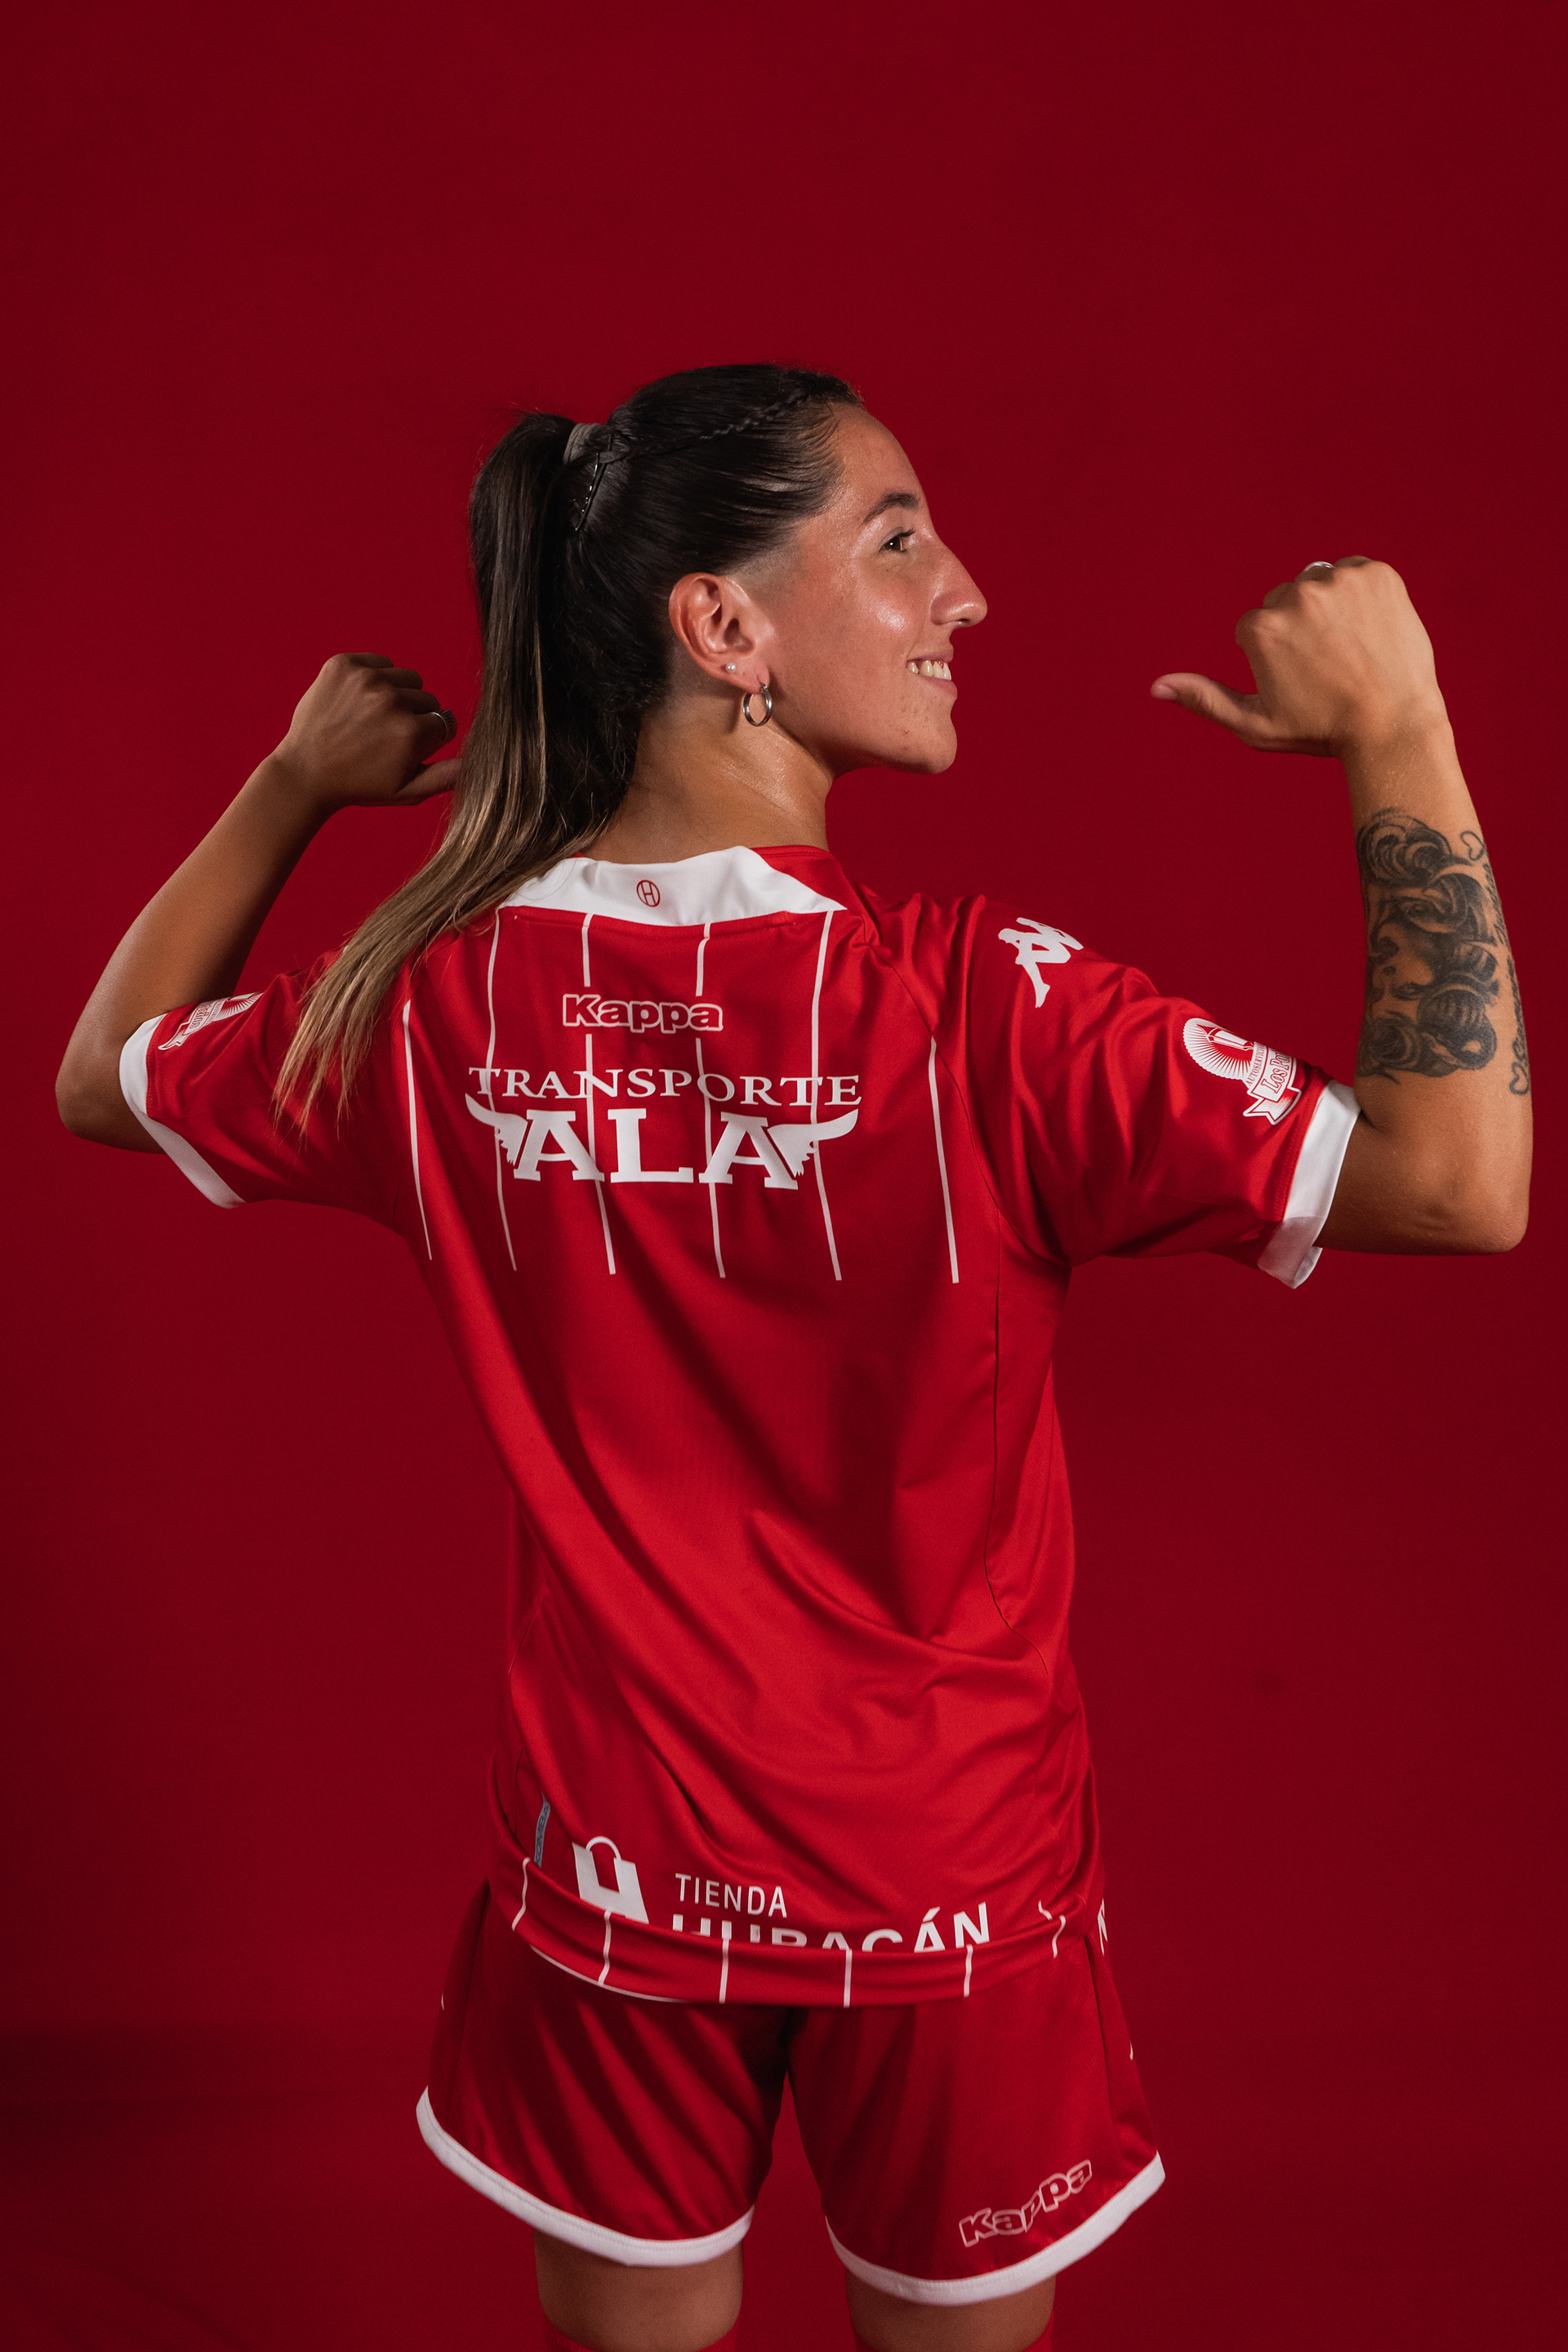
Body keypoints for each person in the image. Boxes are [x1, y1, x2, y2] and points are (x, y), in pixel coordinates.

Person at [56, 363, 1530, 2352]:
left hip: (612, 1879)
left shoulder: (430, 1001)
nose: (965, 593)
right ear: (724, 628)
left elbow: (104, 1077)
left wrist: (294, 782)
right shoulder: (993, 1010)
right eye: (898, 539)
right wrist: (1402, 728)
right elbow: (1460, 1182)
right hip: (951, 1892)